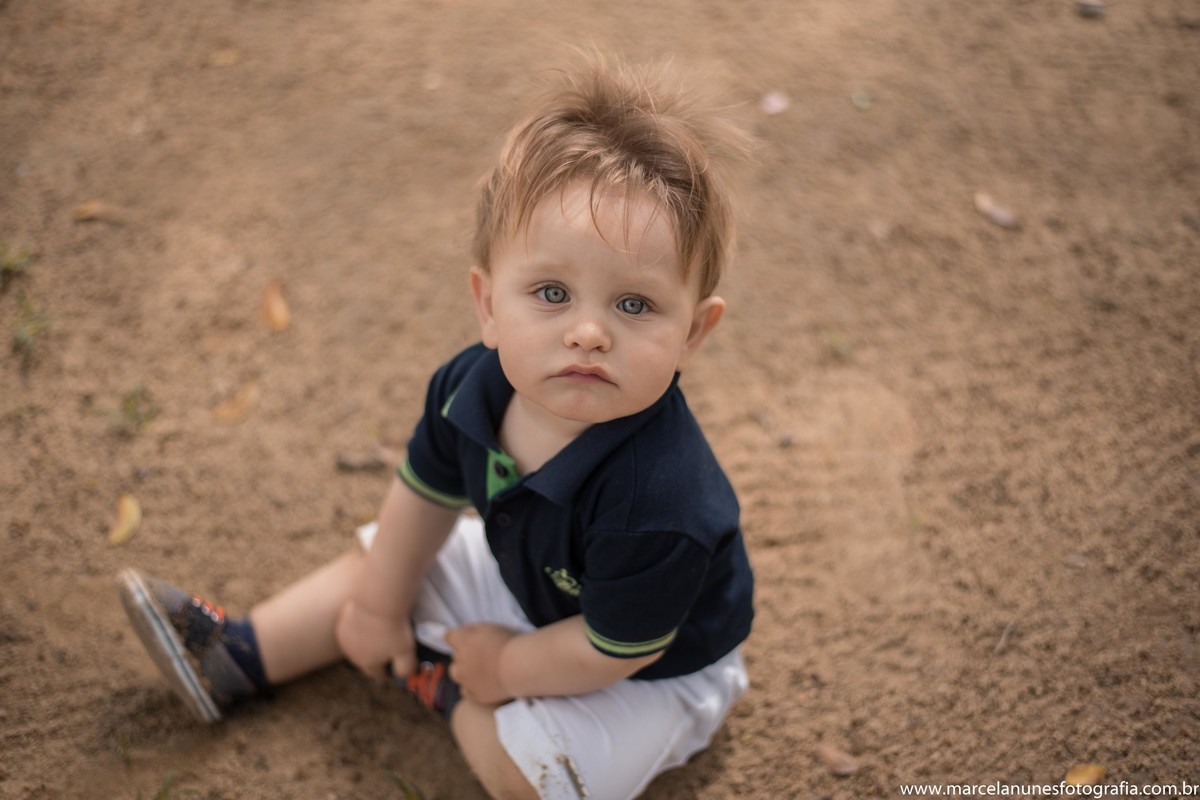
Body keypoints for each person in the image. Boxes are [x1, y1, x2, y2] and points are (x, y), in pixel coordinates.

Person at [118, 55, 755, 800]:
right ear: (487, 304)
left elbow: (613, 649)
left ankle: (445, 690)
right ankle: (239, 652)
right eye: (552, 292)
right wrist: (381, 604)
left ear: (694, 332)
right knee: (380, 565)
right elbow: (422, 497)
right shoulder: (470, 388)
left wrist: (502, 672)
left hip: (650, 663)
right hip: (525, 576)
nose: (588, 332)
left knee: (531, 779)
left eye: (635, 305)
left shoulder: (662, 504)